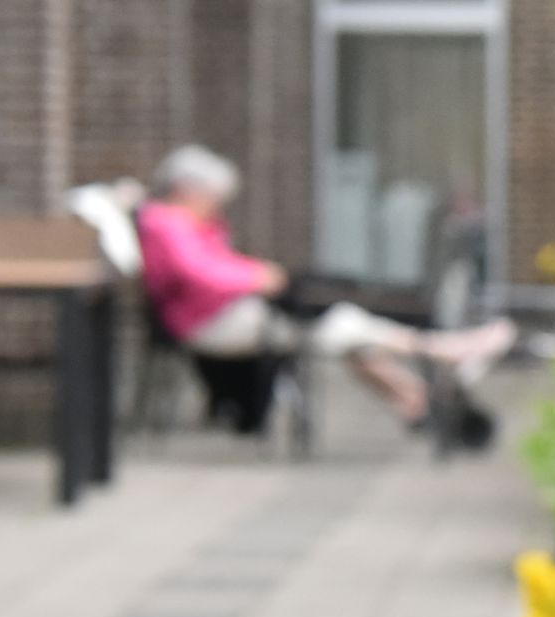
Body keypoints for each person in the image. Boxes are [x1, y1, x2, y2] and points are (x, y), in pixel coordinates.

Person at [136, 145, 513, 424]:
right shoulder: (168, 224)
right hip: (212, 322)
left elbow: (215, 263)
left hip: (230, 313)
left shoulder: (185, 222)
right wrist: (256, 276)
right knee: (340, 322)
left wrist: (257, 272)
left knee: (343, 323)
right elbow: (199, 270)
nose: (215, 206)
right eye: (211, 198)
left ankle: (417, 393)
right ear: (186, 189)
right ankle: (439, 353)